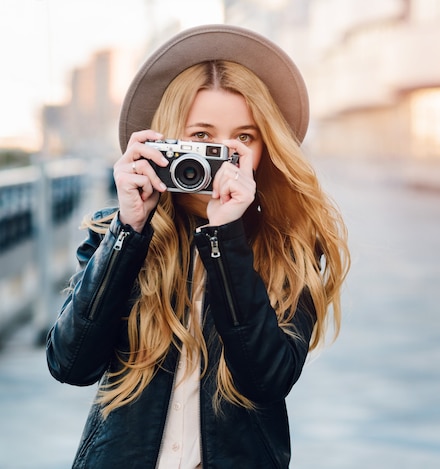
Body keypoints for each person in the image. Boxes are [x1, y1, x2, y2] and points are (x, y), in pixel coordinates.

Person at [46, 24, 350, 469]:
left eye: (243, 138)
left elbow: (266, 380)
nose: (221, 157)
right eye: (201, 137)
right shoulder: (120, 233)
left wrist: (227, 240)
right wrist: (127, 232)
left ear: (265, 148)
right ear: (169, 139)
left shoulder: (290, 250)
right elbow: (70, 364)